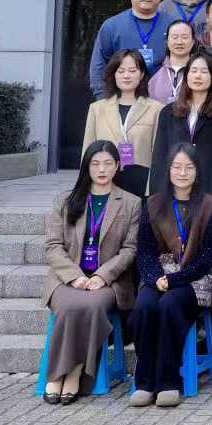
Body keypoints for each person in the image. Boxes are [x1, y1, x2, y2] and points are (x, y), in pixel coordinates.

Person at [41, 140, 141, 404]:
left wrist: (102, 276)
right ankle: (59, 375)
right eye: (95, 164)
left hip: (108, 282)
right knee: (70, 306)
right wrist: (75, 276)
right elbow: (53, 246)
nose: (102, 169)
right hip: (67, 279)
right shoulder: (65, 201)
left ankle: (73, 373)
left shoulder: (130, 203)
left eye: (108, 163)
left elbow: (130, 250)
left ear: (117, 166)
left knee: (92, 305)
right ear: (86, 167)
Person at [130, 144, 212, 408]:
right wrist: (155, 278)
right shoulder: (153, 204)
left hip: (196, 278)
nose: (182, 173)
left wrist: (175, 280)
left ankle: (168, 382)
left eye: (189, 167)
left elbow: (209, 255)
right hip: (160, 275)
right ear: (168, 170)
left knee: (170, 304)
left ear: (197, 171)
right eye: (177, 167)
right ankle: (145, 382)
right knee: (145, 305)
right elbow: (144, 251)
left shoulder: (210, 205)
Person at [149, 54, 212, 211]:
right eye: (193, 71)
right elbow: (159, 156)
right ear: (186, 76)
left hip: (208, 189)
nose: (198, 76)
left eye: (204, 71)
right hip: (173, 188)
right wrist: (157, 194)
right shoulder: (168, 112)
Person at [84, 50, 162, 197]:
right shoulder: (97, 109)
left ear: (142, 74)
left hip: (142, 183)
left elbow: (158, 154)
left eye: (132, 71)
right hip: (105, 180)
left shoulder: (156, 109)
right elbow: (87, 151)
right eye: (121, 71)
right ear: (114, 74)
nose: (126, 75)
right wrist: (86, 185)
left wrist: (153, 190)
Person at [88, 0, 166, 98]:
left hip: (163, 103)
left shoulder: (173, 26)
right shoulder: (112, 26)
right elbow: (98, 67)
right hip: (120, 101)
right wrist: (104, 100)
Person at [147, 20, 195, 105]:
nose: (179, 42)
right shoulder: (153, 69)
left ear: (193, 42)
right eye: (174, 37)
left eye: (184, 37)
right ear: (167, 41)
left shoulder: (200, 69)